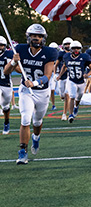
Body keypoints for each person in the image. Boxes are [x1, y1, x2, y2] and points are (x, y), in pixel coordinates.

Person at [4, 24, 58, 164]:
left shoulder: (49, 52)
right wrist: (13, 61)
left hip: (42, 91)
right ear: (28, 37)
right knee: (25, 118)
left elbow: (47, 75)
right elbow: (6, 71)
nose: (36, 38)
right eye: (34, 35)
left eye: (39, 36)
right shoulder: (20, 49)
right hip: (26, 90)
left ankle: (36, 137)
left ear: (43, 38)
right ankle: (22, 151)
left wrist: (34, 83)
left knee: (37, 121)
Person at [57, 41, 91, 123]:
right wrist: (60, 75)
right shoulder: (67, 56)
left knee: (79, 97)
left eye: (77, 48)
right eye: (74, 48)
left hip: (81, 81)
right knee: (72, 96)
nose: (76, 50)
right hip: (71, 80)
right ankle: (70, 115)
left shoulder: (84, 57)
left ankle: (76, 106)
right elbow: (64, 66)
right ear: (71, 49)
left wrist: (87, 74)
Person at [55, 37, 73, 121]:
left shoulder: (74, 54)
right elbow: (56, 64)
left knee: (67, 95)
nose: (68, 45)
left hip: (70, 76)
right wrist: (56, 74)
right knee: (62, 95)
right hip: (62, 77)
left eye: (69, 44)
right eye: (66, 44)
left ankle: (65, 114)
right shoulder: (61, 54)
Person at [0, 36, 14, 135]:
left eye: (1, 45)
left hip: (6, 83)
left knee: (5, 106)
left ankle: (6, 122)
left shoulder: (8, 54)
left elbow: (13, 66)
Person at [48, 42, 60, 111]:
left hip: (59, 74)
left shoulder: (60, 55)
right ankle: (53, 105)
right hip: (52, 74)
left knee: (59, 92)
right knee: (52, 89)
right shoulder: (48, 56)